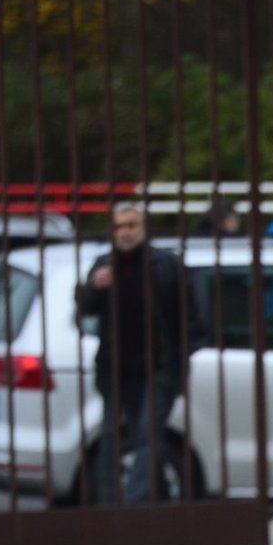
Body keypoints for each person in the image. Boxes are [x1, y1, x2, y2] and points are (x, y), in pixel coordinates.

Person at [75, 201, 190, 504]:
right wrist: (93, 289)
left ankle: (131, 505)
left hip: (158, 368)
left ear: (143, 227)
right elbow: (83, 310)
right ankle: (129, 500)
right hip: (116, 370)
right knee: (113, 438)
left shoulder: (164, 263)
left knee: (148, 435)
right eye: (117, 226)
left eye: (130, 225)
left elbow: (187, 315)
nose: (124, 232)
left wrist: (184, 357)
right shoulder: (103, 264)